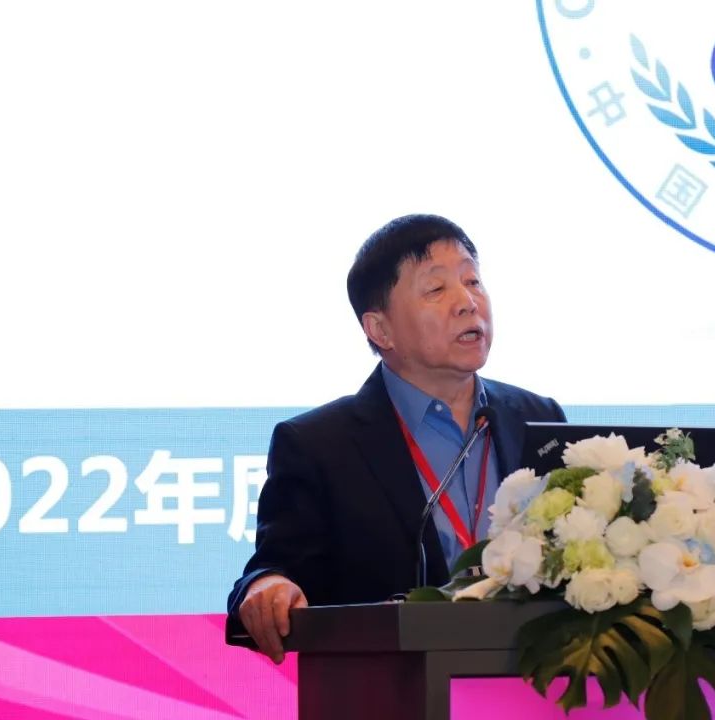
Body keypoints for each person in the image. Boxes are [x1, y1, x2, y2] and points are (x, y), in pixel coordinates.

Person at [226, 214, 566, 663]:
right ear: (380, 330)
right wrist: (268, 585)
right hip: (399, 685)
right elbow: (275, 570)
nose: (467, 302)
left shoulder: (538, 418)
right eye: (436, 289)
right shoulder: (319, 446)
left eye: (473, 281)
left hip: (530, 682)